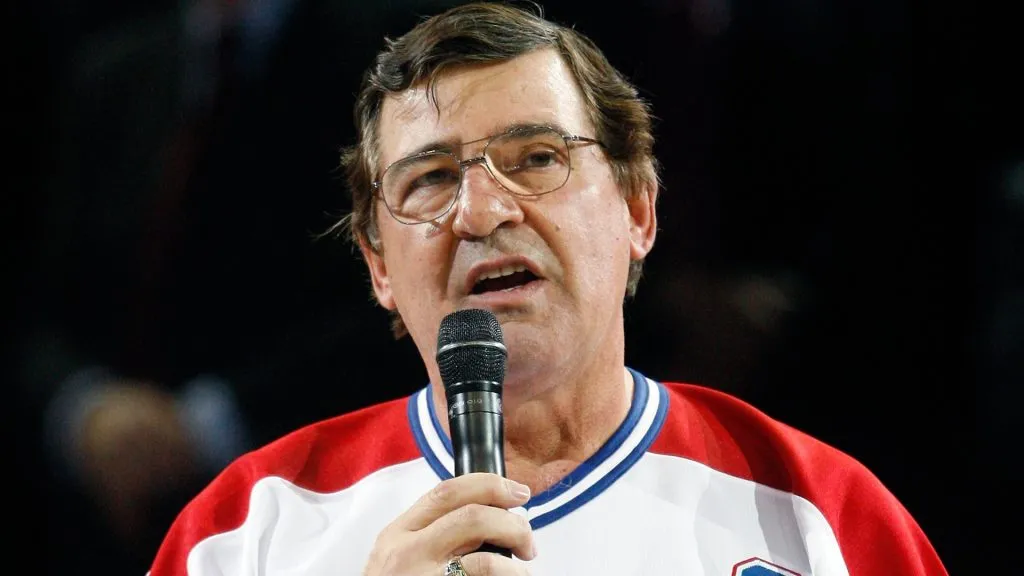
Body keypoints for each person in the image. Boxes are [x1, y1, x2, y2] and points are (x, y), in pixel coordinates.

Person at [148, 2, 949, 574]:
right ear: (379, 267)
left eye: (536, 158)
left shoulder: (822, 515)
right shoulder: (244, 533)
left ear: (638, 210)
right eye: (428, 179)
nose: (482, 210)